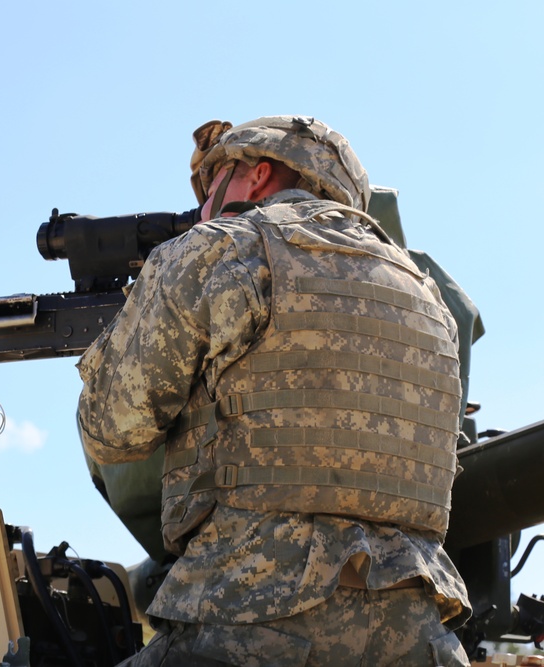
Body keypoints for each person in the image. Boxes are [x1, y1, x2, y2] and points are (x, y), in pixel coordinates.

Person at [77, 116, 472, 665]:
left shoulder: (218, 249)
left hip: (245, 628)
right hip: (418, 640)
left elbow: (111, 432)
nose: (203, 210)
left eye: (211, 188)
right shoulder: (434, 302)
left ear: (255, 175)